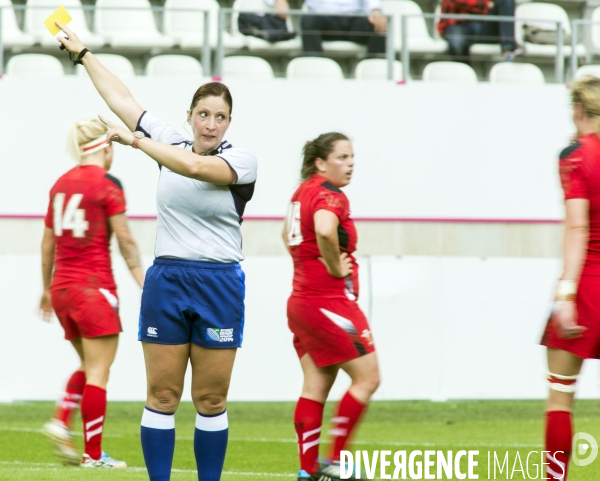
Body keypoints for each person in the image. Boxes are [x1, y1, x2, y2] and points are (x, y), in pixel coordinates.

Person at [55, 21, 258, 481]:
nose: (210, 123)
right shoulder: (170, 138)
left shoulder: (242, 161)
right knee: (162, 397)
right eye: (203, 114)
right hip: (168, 279)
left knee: (211, 400)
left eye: (220, 117)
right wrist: (84, 53)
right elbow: (123, 100)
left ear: (229, 123)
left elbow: (194, 167)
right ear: (190, 115)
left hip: (219, 282)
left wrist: (137, 142)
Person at [40, 119, 144, 468]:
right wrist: (144, 280)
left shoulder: (60, 184)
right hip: (93, 288)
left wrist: (45, 289)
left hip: (62, 289)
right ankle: (93, 455)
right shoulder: (108, 184)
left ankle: (59, 419)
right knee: (100, 371)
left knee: (88, 364)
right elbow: (126, 240)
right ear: (106, 147)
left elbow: (47, 244)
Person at [282, 133, 380, 481]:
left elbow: (286, 236)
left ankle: (308, 470)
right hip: (328, 301)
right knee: (368, 378)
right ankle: (336, 461)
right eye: (342, 157)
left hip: (301, 302)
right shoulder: (330, 194)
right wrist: (335, 268)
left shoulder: (301, 192)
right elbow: (325, 229)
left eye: (352, 156)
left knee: (315, 386)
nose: (350, 163)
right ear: (321, 163)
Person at [540, 76, 600, 480]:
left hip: (589, 285)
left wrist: (565, 292)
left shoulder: (575, 156)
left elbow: (577, 228)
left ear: (577, 110)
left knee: (560, 397)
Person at [275, 0, 386, 57]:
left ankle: (375, 78)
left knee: (378, 24)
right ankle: (316, 72)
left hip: (355, 19)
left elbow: (374, 6)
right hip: (324, 20)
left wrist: (375, 8)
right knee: (308, 20)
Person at [437, 0, 518, 63]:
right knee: (457, 41)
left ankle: (508, 52)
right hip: (458, 25)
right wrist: (485, 3)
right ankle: (465, 75)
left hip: (483, 26)